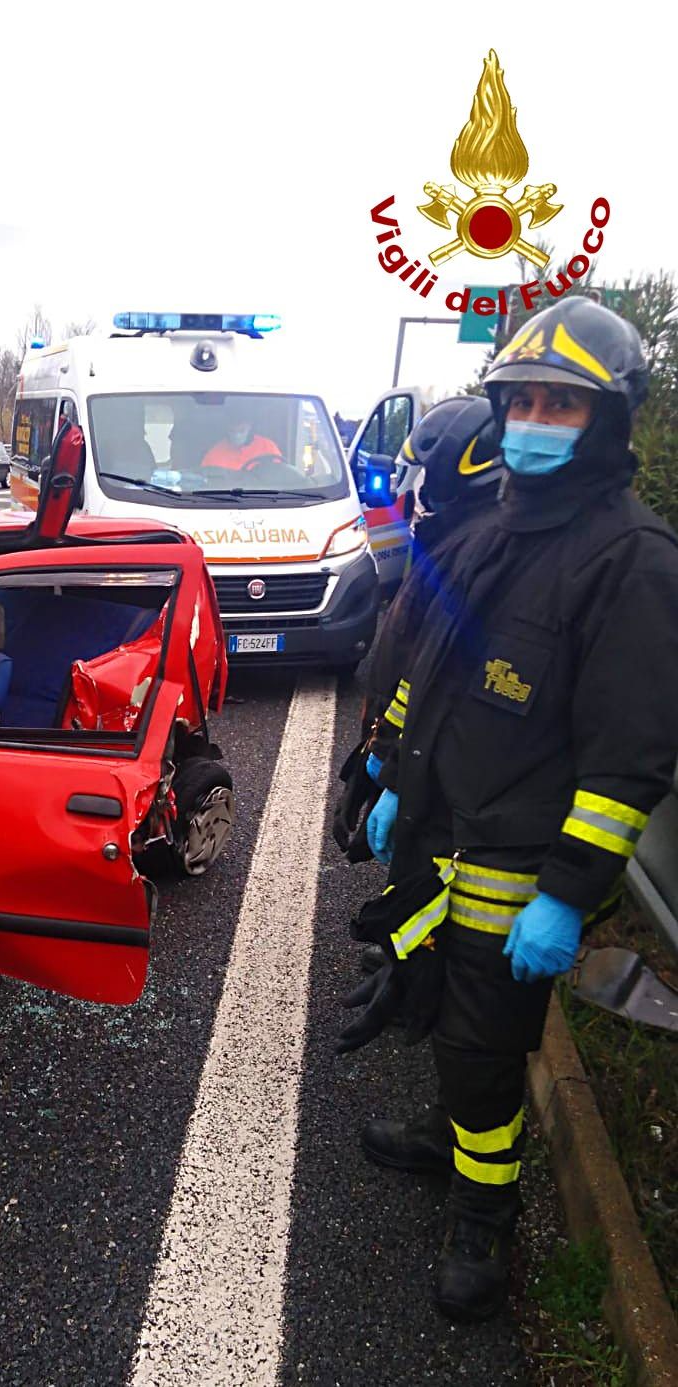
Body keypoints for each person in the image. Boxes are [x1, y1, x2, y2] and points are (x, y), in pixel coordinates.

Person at [354, 296, 678, 1322]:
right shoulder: (494, 528)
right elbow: (431, 664)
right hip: (438, 834)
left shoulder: (632, 561)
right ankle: (449, 1135)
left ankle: (482, 1218)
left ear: (607, 418)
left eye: (560, 405)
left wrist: (568, 894)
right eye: (523, 402)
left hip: (517, 869)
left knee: (483, 1046)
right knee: (436, 1007)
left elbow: (629, 757)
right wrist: (393, 777)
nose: (534, 422)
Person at [333, 395, 504, 862]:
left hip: (438, 778)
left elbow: (441, 677)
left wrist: (393, 774)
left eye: (429, 472)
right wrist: (372, 758)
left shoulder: (478, 550)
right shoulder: (447, 537)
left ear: (454, 473)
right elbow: (411, 669)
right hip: (407, 754)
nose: (420, 487)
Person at [200, 406, 283, 472]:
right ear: (226, 429)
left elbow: (280, 475)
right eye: (232, 431)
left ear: (250, 426)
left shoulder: (267, 447)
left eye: (241, 430)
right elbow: (204, 480)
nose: (237, 436)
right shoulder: (215, 453)